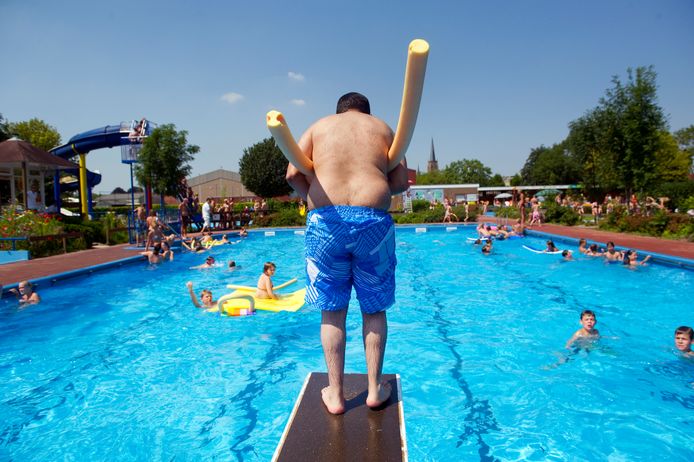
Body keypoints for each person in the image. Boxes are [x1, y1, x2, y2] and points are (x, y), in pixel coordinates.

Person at [285, 92, 409, 415]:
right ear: (366, 112)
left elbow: (292, 174)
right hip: (373, 224)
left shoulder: (319, 126)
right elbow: (400, 181)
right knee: (374, 308)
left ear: (339, 111)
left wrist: (313, 196)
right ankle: (374, 390)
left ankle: (336, 395)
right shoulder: (382, 128)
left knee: (332, 310)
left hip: (325, 224)